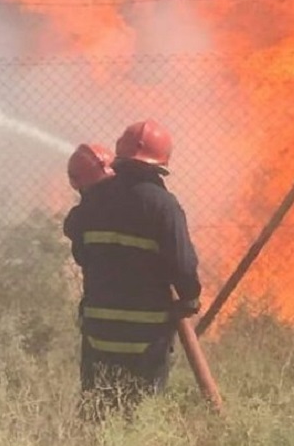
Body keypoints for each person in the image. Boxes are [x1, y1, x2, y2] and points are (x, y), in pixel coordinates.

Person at [63, 120, 202, 420]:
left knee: (98, 412)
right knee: (140, 415)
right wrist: (190, 298)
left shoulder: (93, 200)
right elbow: (183, 264)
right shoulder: (163, 205)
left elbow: (79, 246)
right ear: (160, 165)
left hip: (99, 331)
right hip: (145, 336)